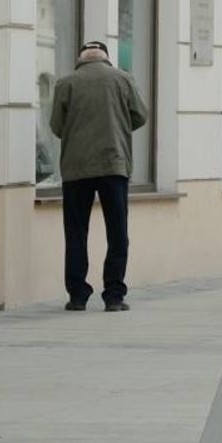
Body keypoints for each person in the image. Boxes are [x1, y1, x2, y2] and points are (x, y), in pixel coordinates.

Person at [49, 40, 148, 312]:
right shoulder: (122, 79)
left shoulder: (66, 83)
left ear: (81, 58)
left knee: (76, 232)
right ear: (106, 57)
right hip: (113, 165)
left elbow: (57, 126)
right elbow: (140, 115)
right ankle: (114, 295)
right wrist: (118, 125)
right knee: (117, 232)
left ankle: (77, 296)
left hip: (76, 167)